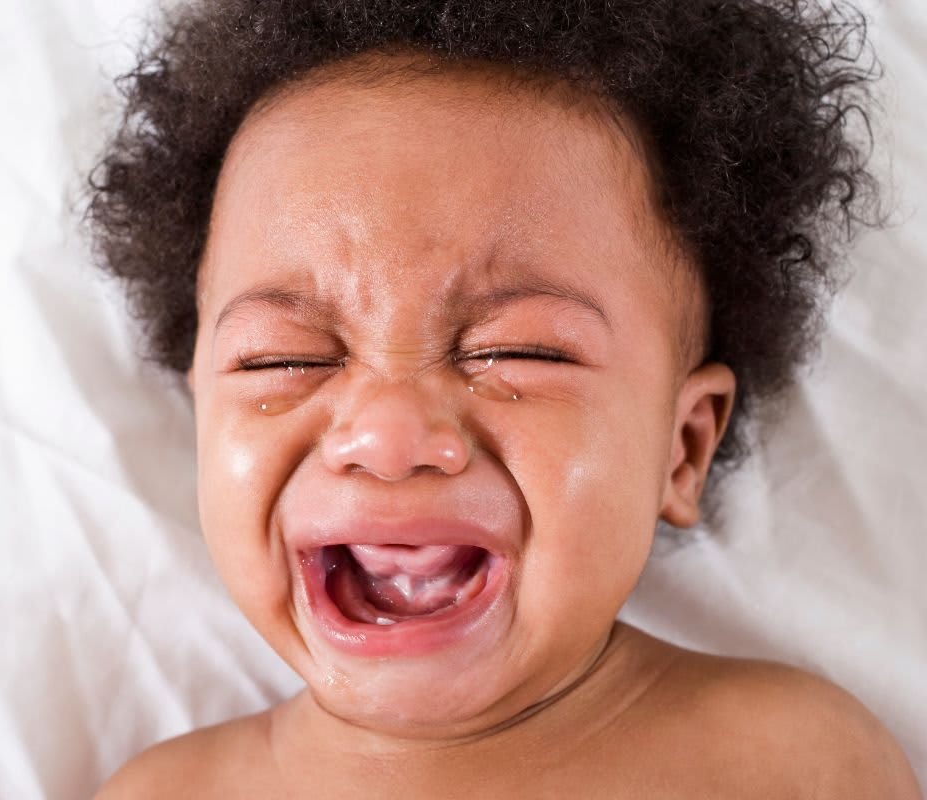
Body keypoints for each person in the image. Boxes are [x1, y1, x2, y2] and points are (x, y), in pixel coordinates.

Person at [88, 0, 921, 796]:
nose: (388, 434)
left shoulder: (788, 760)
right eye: (284, 357)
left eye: (516, 350)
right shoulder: (165, 791)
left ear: (682, 448)